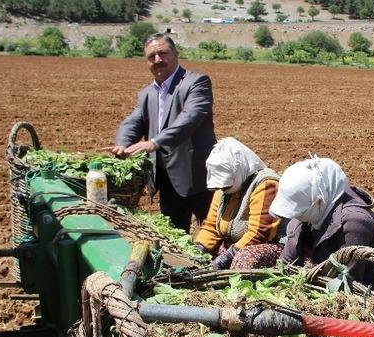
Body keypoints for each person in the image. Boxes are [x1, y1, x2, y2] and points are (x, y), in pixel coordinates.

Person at [110, 33, 216, 233]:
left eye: (162, 53)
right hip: (166, 178)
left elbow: (190, 118)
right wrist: (122, 143)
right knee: (175, 235)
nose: (157, 60)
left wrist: (154, 142)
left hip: (199, 177)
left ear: (175, 54)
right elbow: (134, 121)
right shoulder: (146, 93)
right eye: (151, 56)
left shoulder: (196, 82)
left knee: (213, 234)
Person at [269, 156, 374, 289]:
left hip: (372, 292)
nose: (295, 216)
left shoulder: (354, 222)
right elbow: (287, 263)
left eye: (298, 212)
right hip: (328, 282)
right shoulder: (306, 215)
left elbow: (348, 282)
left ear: (319, 201)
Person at [193, 137, 283, 270]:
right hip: (237, 245)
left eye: (226, 186)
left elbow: (260, 233)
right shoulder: (223, 189)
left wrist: (229, 256)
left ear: (238, 171)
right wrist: (198, 249)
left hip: (267, 246)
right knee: (205, 257)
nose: (223, 189)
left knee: (243, 258)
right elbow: (212, 226)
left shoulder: (266, 185)